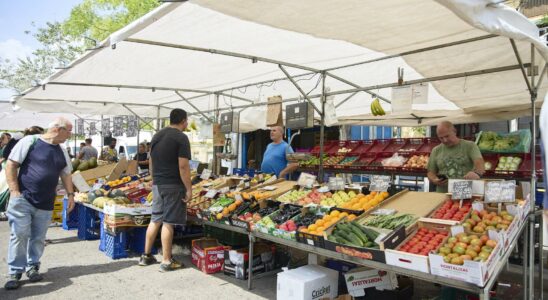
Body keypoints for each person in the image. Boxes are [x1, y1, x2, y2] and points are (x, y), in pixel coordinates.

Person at [4, 117, 75, 290]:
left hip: (46, 201)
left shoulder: (62, 150)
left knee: (38, 237)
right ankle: (15, 271)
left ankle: (33, 266)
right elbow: (11, 165)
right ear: (58, 129)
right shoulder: (30, 141)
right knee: (19, 234)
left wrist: (71, 194)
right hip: (23, 198)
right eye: (69, 131)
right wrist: (14, 191)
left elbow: (65, 174)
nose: (70, 135)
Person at [139, 109, 192, 272]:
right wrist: (189, 189)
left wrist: (154, 179)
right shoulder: (181, 138)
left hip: (158, 185)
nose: (187, 124)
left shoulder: (157, 136)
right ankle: (167, 261)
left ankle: (146, 256)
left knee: (155, 219)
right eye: (187, 121)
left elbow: (151, 162)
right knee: (168, 222)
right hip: (173, 185)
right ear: (183, 121)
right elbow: (183, 166)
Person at [427, 121, 485, 193]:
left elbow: (480, 164)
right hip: (443, 194)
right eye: (441, 138)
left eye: (447, 136)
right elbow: (430, 173)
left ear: (454, 132)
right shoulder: (436, 150)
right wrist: (434, 180)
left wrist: (476, 173)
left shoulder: (470, 146)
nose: (445, 140)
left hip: (465, 193)